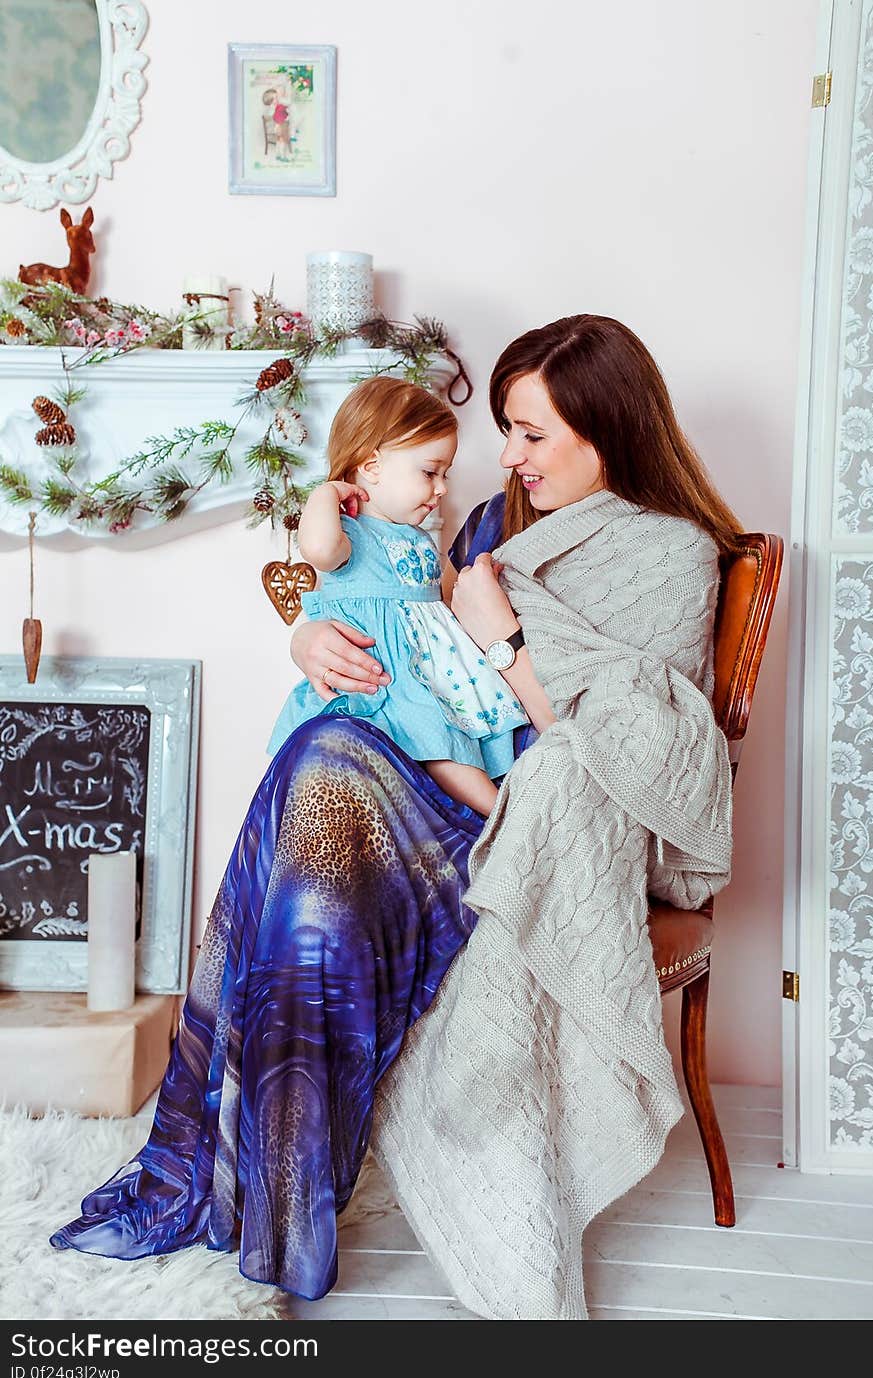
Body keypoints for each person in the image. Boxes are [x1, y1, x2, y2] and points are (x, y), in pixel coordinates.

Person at [49, 315, 741, 1319]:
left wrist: (504, 640)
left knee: (320, 788)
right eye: (505, 429)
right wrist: (306, 638)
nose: (507, 456)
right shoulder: (489, 529)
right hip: (421, 781)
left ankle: (264, 1182)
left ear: (605, 429)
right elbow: (374, 606)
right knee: (316, 768)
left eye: (529, 432)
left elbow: (630, 753)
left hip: (525, 819)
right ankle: (264, 1193)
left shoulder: (670, 556)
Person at [266, 375, 526, 816]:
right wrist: (327, 492)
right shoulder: (350, 533)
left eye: (445, 474)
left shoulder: (421, 540)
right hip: (387, 679)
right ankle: (504, 818)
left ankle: (501, 815)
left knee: (457, 744)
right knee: (438, 743)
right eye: (430, 472)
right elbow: (318, 549)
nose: (442, 487)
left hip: (429, 677)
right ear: (370, 466)